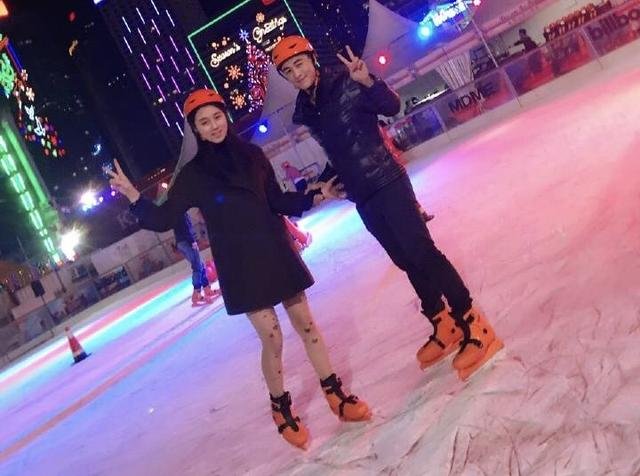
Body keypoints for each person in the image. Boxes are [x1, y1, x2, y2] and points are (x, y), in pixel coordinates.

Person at [108, 89, 370, 449]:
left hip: (275, 250)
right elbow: (162, 218)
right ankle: (280, 407)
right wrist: (133, 197)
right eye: (204, 122)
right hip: (240, 265)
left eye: (217, 117)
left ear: (225, 117)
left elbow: (277, 200)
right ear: (195, 130)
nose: (213, 126)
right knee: (272, 338)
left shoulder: (253, 156)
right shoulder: (193, 175)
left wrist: (316, 195)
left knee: (307, 325)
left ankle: (335, 393)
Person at [272, 36, 502, 380]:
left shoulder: (346, 80)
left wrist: (367, 80)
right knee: (405, 259)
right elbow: (341, 148)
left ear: (312, 59)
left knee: (423, 253)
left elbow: (391, 107)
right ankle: (442, 322)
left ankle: (473, 323)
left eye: (299, 64)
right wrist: (325, 181)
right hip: (361, 193)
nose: (296, 73)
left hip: (387, 179)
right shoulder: (308, 108)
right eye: (288, 71)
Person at [173, 212, 219, 306]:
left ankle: (207, 289)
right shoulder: (180, 211)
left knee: (200, 265)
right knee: (197, 267)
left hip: (182, 242)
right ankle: (196, 294)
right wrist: (192, 241)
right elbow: (185, 227)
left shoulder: (178, 212)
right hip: (186, 242)